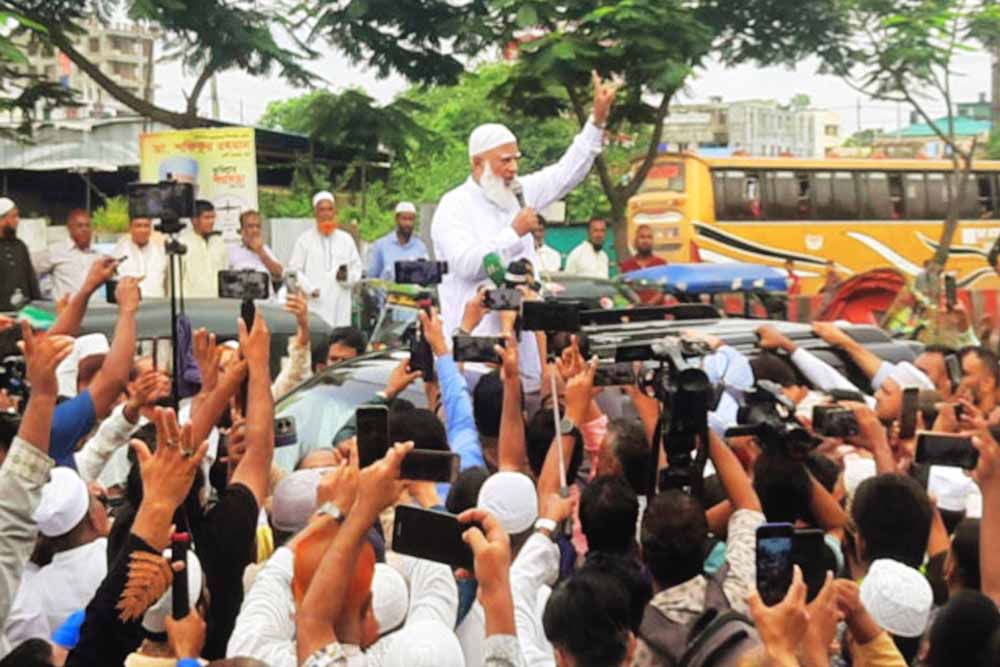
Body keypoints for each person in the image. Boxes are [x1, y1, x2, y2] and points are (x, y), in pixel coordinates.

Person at [431, 71, 618, 393]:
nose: (513, 168)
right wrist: (513, 232)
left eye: (515, 159)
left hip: (527, 359)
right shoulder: (454, 206)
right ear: (478, 164)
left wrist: (596, 122)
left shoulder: (518, 192)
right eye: (504, 161)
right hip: (476, 361)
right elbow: (465, 264)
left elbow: (565, 174)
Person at [288, 192, 363, 328]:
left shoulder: (346, 240)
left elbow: (357, 269)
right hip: (315, 303)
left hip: (340, 304)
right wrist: (310, 289)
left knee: (339, 341)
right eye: (322, 210)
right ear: (315, 213)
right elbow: (294, 270)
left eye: (329, 209)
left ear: (335, 212)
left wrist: (345, 278)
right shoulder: (304, 240)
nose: (326, 214)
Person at [32, 209, 102, 300]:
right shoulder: (56, 251)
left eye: (87, 226)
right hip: (65, 310)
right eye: (80, 226)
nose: (85, 229)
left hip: (95, 311)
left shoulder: (98, 256)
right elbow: (29, 269)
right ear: (70, 228)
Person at [367, 201, 429, 282]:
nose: (408, 223)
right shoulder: (381, 245)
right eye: (404, 219)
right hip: (387, 294)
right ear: (396, 219)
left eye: (411, 219)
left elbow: (426, 277)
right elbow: (372, 278)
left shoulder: (420, 246)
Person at [178, 200, 227, 298]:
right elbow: (175, 280)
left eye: (213, 217)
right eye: (207, 218)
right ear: (194, 220)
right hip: (191, 304)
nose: (211, 221)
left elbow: (224, 272)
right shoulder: (182, 242)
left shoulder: (219, 242)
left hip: (217, 302)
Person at [0, 197, 41, 311]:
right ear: (2, 219)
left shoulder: (20, 246)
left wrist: (38, 306)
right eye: (13, 216)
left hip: (24, 314)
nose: (17, 220)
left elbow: (31, 280)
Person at [111, 217, 168, 298]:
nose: (143, 230)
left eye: (146, 226)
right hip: (128, 304)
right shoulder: (119, 251)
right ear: (130, 228)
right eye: (138, 226)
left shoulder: (161, 252)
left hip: (157, 304)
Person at [228, 210, 283, 283]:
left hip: (266, 293)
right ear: (242, 230)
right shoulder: (232, 252)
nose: (255, 230)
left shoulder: (265, 250)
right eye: (250, 226)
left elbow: (279, 273)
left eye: (258, 226)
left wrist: (260, 252)